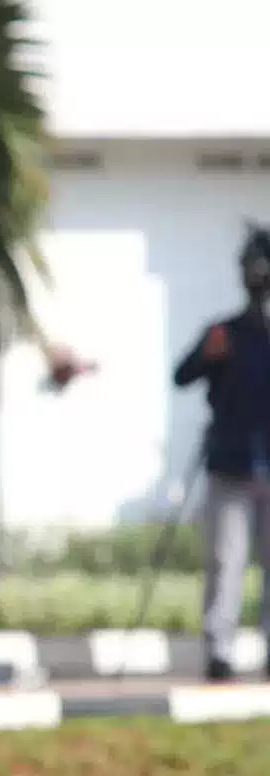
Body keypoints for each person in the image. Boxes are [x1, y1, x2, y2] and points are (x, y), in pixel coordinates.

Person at [174, 225, 270, 682]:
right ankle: (219, 650)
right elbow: (183, 374)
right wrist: (208, 357)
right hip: (229, 466)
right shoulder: (224, 333)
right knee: (225, 561)